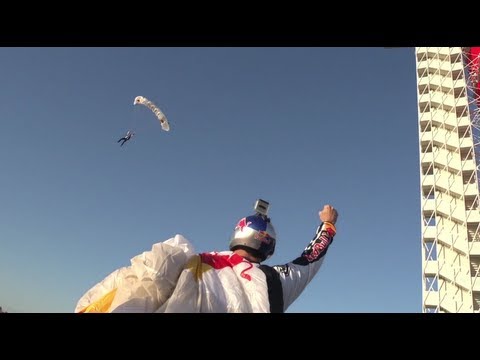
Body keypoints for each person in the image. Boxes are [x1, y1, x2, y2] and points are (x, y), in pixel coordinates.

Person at [75, 200, 338, 313]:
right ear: (269, 247)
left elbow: (135, 287)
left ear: (238, 234)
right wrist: (328, 224)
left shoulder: (186, 260)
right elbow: (311, 258)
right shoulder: (277, 282)